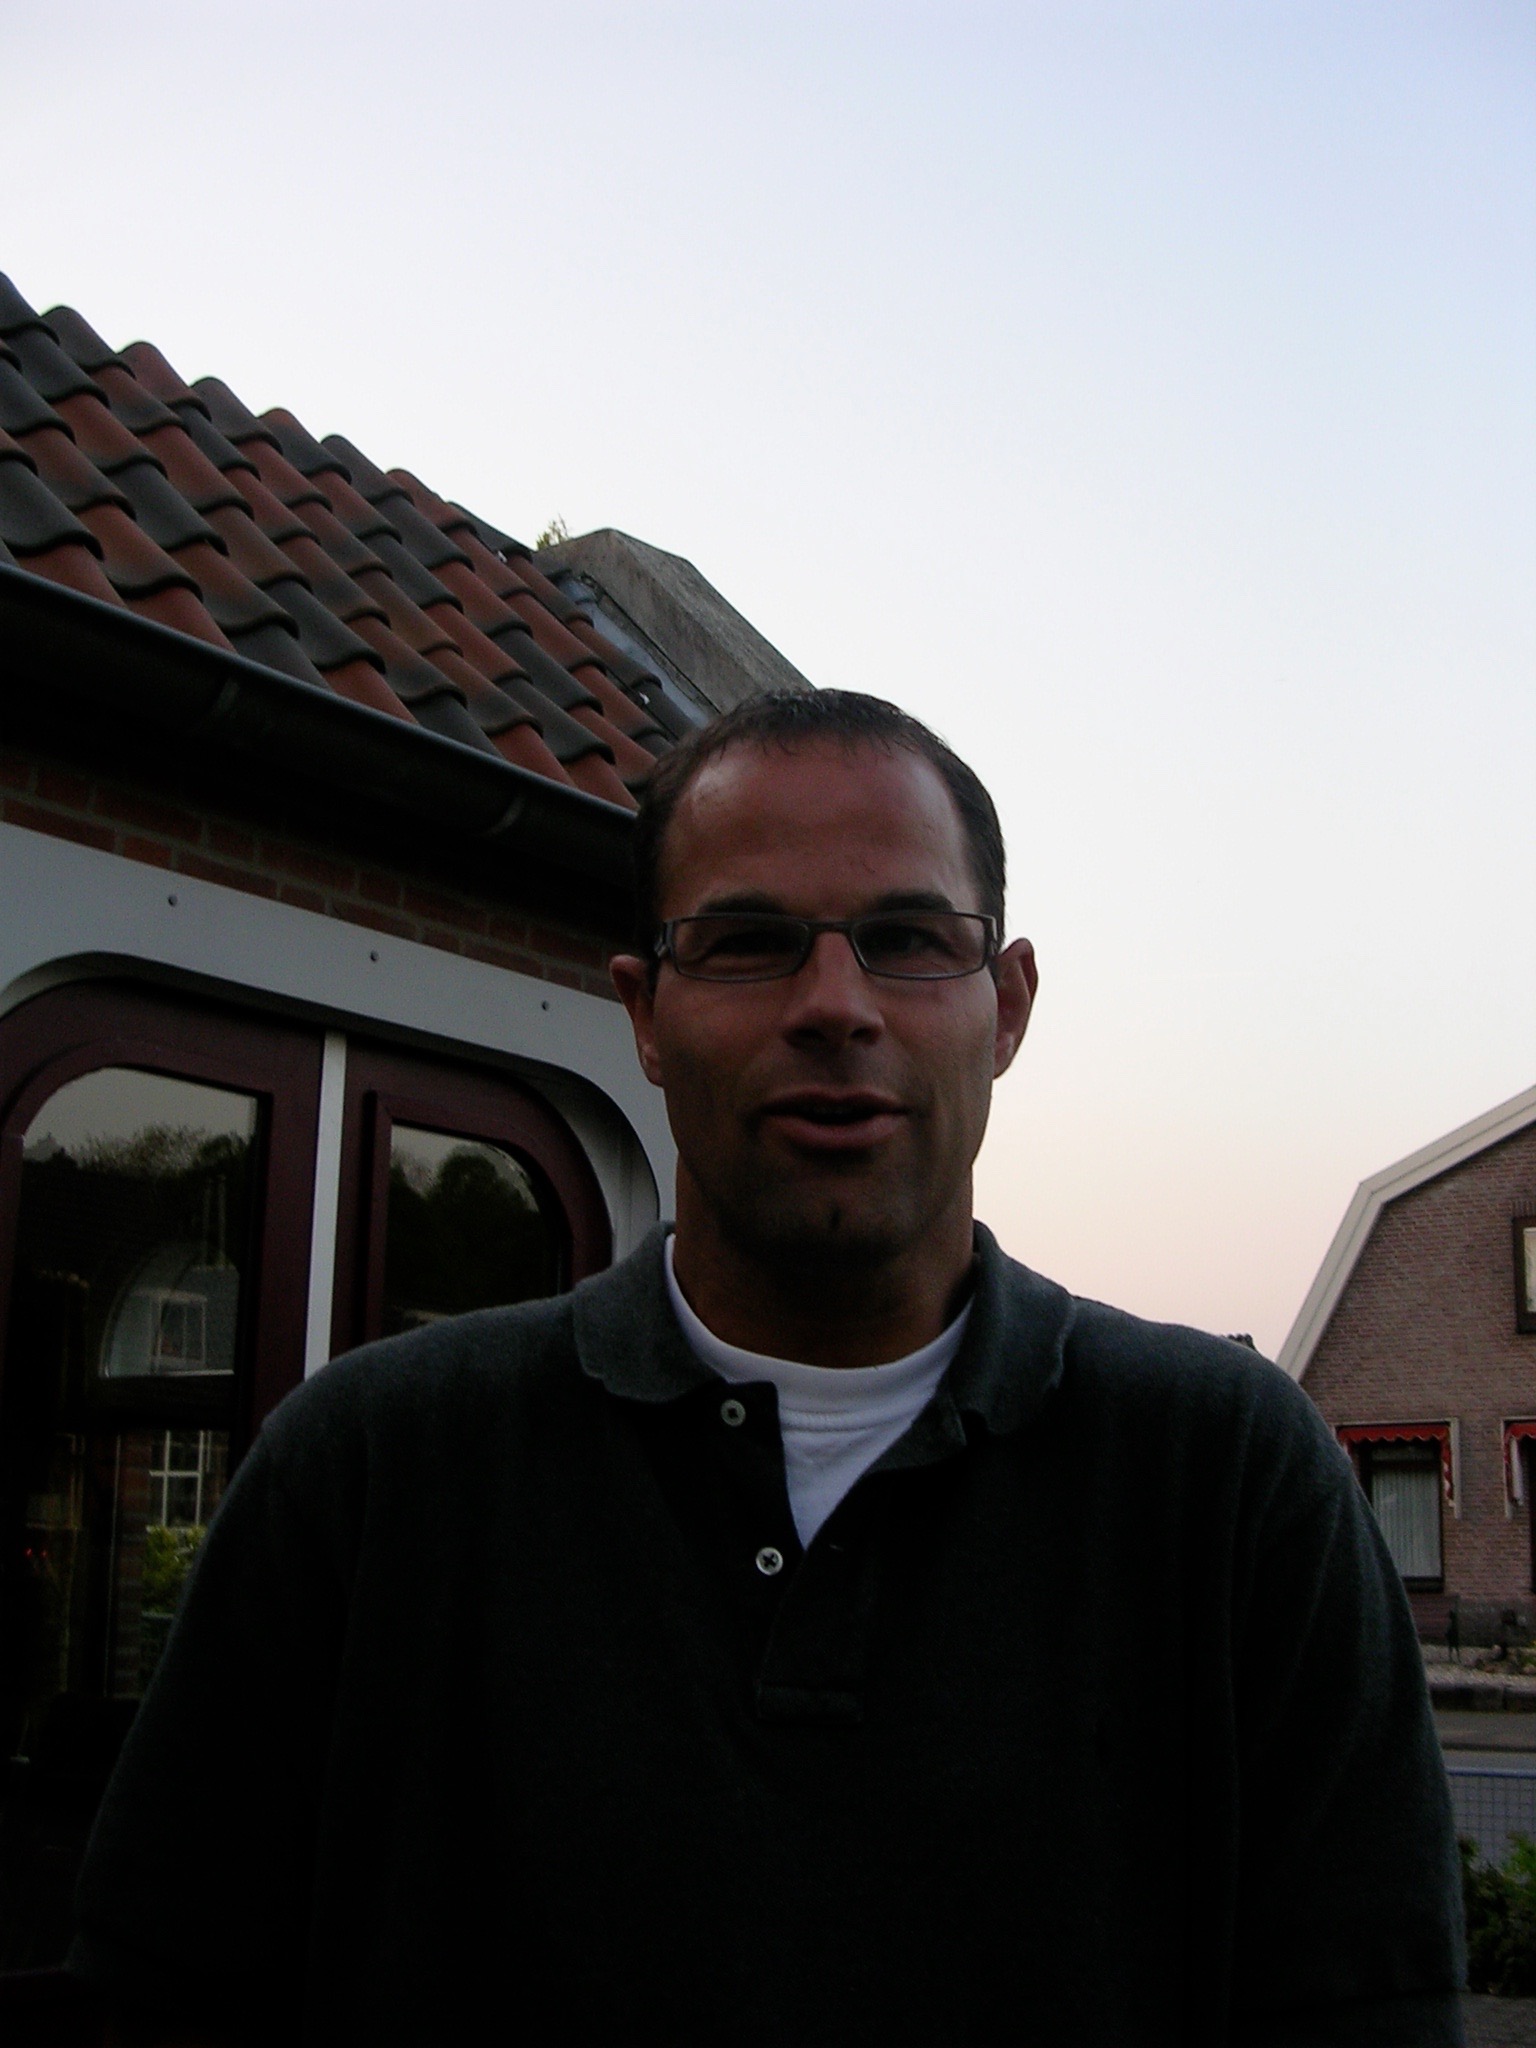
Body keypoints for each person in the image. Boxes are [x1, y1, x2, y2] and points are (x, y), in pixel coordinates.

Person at [71, 691, 1463, 2045]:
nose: (835, 1005)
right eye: (747, 943)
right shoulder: (367, 1475)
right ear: (645, 1013)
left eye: (908, 939)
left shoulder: (1234, 1486)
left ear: (1008, 1006)